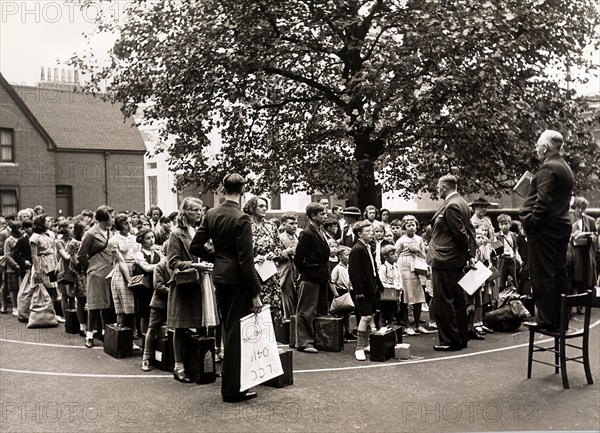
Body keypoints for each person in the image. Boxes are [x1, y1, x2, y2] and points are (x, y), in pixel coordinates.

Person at [190, 174, 262, 403]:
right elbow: (246, 261)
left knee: (230, 330)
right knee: (234, 335)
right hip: (237, 281)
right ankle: (232, 389)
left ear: (223, 188)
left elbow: (196, 245)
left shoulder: (211, 214)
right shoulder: (241, 218)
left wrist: (218, 258)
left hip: (220, 277)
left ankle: (233, 386)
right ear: (242, 190)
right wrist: (255, 292)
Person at [520, 130, 574, 332]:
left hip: (545, 230)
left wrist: (531, 223)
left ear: (544, 148)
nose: (536, 149)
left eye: (537, 146)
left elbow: (542, 203)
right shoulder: (564, 167)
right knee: (559, 273)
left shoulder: (547, 168)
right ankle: (560, 320)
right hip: (560, 226)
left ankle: (546, 320)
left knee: (542, 275)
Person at [427, 174, 476, 352]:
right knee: (457, 300)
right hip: (454, 260)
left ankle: (449, 340)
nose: (437, 190)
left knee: (444, 301)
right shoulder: (462, 203)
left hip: (445, 259)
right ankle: (460, 338)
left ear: (445, 187)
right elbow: (470, 231)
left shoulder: (452, 205)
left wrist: (465, 253)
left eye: (438, 187)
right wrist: (469, 254)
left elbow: (461, 234)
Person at [166, 197, 212, 384]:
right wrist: (195, 265)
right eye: (194, 210)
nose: (199, 213)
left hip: (201, 283)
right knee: (181, 326)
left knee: (203, 323)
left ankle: (202, 364)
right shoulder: (177, 233)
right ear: (185, 212)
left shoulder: (201, 232)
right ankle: (179, 366)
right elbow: (172, 262)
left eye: (200, 210)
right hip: (184, 284)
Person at [294, 202, 330, 354]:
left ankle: (317, 338)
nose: (325, 216)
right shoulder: (307, 233)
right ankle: (304, 341)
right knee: (306, 310)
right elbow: (298, 258)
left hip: (321, 276)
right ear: (313, 216)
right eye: (322, 214)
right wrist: (307, 271)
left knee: (320, 309)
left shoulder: (320, 231)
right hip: (311, 277)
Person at [243, 196, 284, 326]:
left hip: (270, 274)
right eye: (261, 206)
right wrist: (254, 259)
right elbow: (241, 250)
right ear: (252, 207)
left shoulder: (271, 226)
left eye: (265, 206)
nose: (264, 208)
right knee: (254, 310)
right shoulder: (246, 226)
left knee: (272, 309)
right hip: (253, 274)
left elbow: (279, 247)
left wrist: (273, 253)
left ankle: (271, 342)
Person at [78, 205, 114, 348]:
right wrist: (91, 269)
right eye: (111, 216)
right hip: (96, 273)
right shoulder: (90, 233)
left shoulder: (109, 232)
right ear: (105, 218)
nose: (113, 219)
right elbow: (81, 255)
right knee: (93, 306)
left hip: (109, 272)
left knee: (106, 305)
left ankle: (105, 333)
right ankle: (89, 335)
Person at [349, 221, 382, 361]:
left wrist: (378, 283)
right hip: (363, 289)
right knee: (365, 317)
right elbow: (354, 272)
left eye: (371, 231)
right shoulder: (357, 249)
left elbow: (373, 268)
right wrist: (359, 291)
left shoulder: (368, 247)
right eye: (367, 232)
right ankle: (359, 348)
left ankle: (366, 343)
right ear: (359, 234)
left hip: (371, 286)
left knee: (371, 316)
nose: (371, 233)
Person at [395, 215, 429, 335]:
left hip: (416, 267)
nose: (411, 227)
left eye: (413, 225)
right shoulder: (400, 240)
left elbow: (424, 256)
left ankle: (417, 324)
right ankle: (407, 325)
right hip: (403, 268)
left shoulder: (419, 239)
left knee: (418, 296)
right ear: (404, 226)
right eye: (408, 225)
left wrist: (416, 250)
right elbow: (395, 255)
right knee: (406, 297)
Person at [570, 197, 597, 297]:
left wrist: (592, 237)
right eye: (578, 208)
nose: (580, 210)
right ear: (575, 207)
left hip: (586, 251)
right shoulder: (569, 218)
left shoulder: (590, 220)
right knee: (574, 277)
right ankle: (573, 301)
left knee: (585, 277)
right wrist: (573, 234)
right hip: (573, 251)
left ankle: (581, 302)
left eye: (583, 208)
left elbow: (594, 234)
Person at [278, 212, 299, 320]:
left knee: (299, 299)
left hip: (298, 272)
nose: (294, 226)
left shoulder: (299, 237)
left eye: (296, 223)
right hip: (286, 272)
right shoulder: (279, 238)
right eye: (291, 223)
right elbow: (274, 255)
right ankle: (287, 322)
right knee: (287, 299)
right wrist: (287, 252)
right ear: (284, 224)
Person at [495, 214, 521, 291]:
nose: (504, 226)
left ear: (510, 224)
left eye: (506, 224)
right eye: (502, 224)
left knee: (514, 278)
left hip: (511, 257)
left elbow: (515, 248)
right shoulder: (497, 236)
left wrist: (519, 260)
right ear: (499, 226)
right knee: (501, 278)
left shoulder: (513, 235)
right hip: (502, 258)